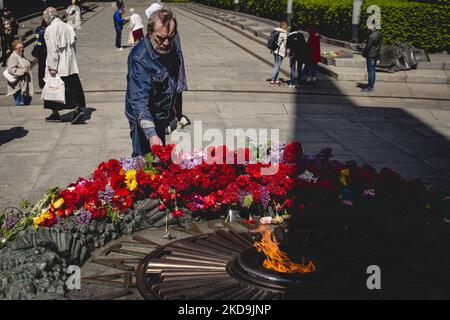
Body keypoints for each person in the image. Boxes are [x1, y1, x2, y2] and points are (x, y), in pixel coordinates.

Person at [125, 9, 181, 156]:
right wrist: (151, 134)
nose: (167, 43)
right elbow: (139, 101)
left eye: (171, 37)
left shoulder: (172, 46)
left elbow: (173, 81)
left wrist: (173, 111)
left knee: (158, 157)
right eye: (160, 38)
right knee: (143, 160)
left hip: (161, 113)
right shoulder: (140, 57)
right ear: (149, 33)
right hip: (143, 116)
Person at [145, 3, 190, 135]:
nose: (165, 41)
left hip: (171, 69)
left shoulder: (169, 32)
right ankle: (174, 118)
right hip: (170, 70)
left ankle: (172, 120)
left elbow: (175, 52)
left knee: (171, 93)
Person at [43, 7, 86, 124]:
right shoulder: (68, 27)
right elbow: (74, 46)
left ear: (48, 17)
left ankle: (55, 114)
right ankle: (77, 109)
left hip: (58, 65)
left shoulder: (50, 29)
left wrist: (52, 66)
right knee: (73, 87)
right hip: (70, 63)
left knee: (55, 89)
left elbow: (52, 49)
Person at [5, 40, 33, 106]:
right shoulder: (13, 56)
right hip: (19, 86)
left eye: (22, 47)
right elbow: (11, 69)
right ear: (14, 48)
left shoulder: (21, 56)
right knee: (21, 105)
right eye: (19, 48)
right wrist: (23, 71)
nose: (22, 49)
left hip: (25, 85)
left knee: (26, 104)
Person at [286, 22, 309, 88]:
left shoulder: (290, 35)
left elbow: (287, 46)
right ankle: (299, 82)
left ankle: (292, 82)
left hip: (293, 54)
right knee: (299, 68)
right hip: (300, 53)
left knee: (293, 68)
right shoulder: (301, 35)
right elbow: (304, 44)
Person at [361, 25, 382, 93]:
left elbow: (368, 47)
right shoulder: (379, 34)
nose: (368, 30)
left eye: (368, 29)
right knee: (373, 70)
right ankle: (371, 85)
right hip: (376, 54)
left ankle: (370, 87)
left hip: (370, 55)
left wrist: (364, 54)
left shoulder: (371, 36)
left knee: (370, 71)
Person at [269, 20, 288, 86]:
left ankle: (276, 80)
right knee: (277, 66)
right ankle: (273, 79)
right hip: (280, 51)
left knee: (276, 65)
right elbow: (285, 44)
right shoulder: (284, 33)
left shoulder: (275, 30)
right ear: (285, 26)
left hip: (275, 50)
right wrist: (286, 52)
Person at [31, 20, 47, 89]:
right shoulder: (45, 31)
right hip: (44, 51)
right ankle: (43, 82)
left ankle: (41, 83)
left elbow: (37, 38)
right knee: (44, 67)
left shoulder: (38, 29)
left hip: (39, 51)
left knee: (41, 68)